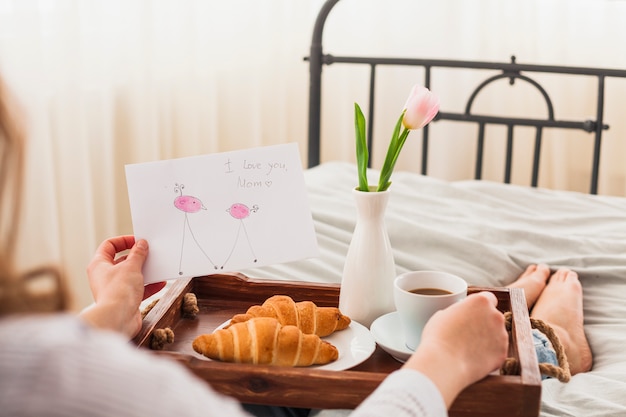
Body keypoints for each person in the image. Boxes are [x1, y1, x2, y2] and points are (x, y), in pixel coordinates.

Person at [0, 72, 590, 417]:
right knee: (456, 362)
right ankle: (544, 339)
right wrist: (444, 362)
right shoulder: (73, 379)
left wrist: (109, 314)